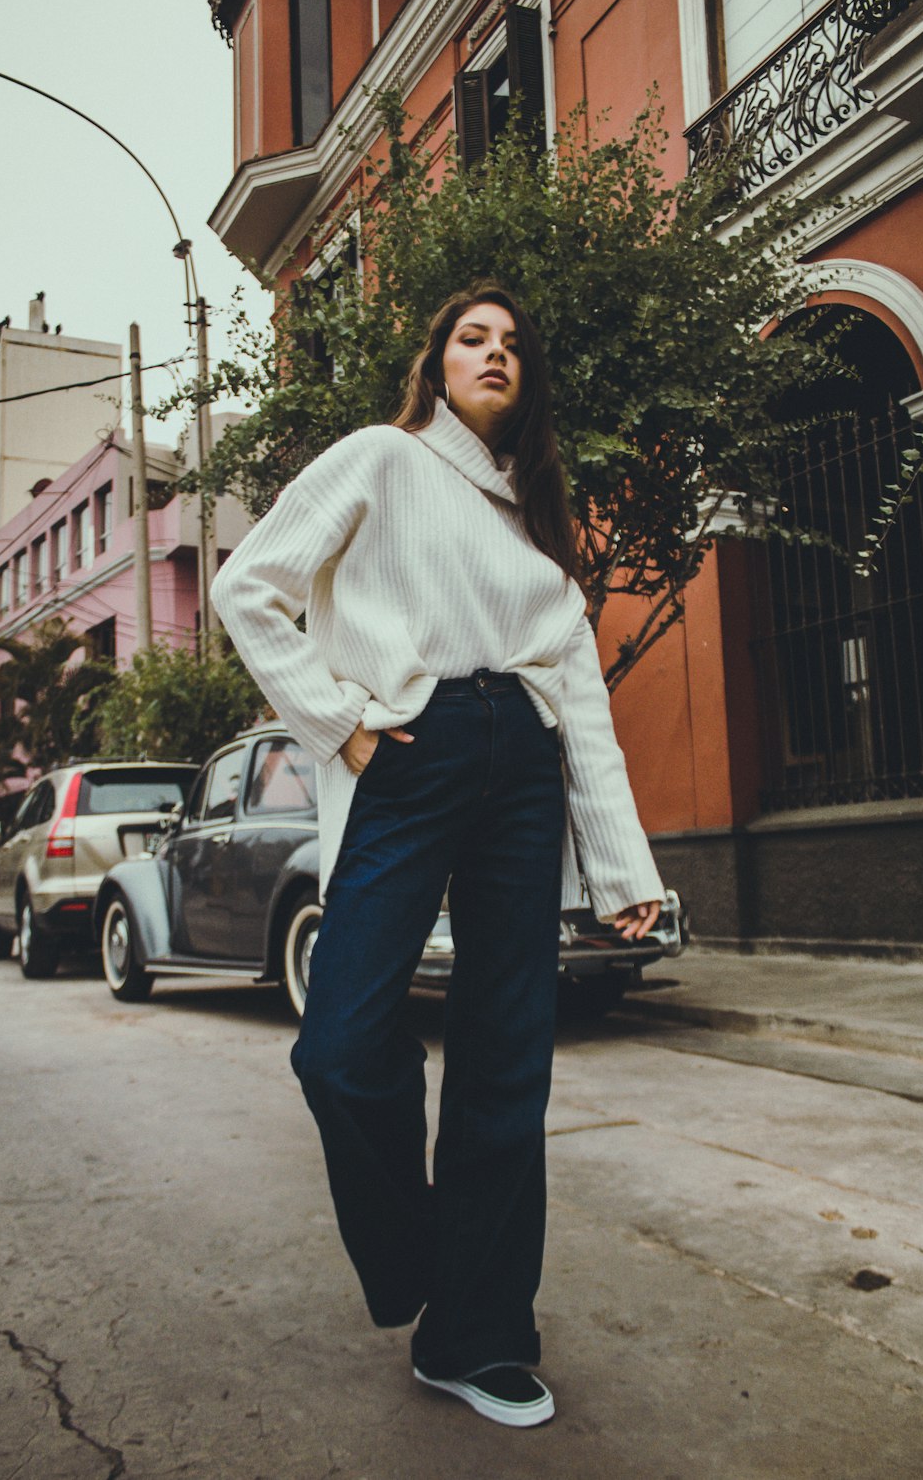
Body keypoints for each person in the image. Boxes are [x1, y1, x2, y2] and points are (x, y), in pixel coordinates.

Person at [210, 284, 665, 1428]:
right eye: (474, 337)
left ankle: (478, 1334)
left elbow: (582, 711)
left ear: (528, 380)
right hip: (408, 754)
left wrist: (624, 876)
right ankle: (422, 1255)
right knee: (342, 1045)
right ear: (438, 363)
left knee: (507, 1057)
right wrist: (341, 725)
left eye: (514, 342)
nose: (495, 352)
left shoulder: (532, 531)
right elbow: (245, 588)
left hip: (522, 767)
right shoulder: (379, 459)